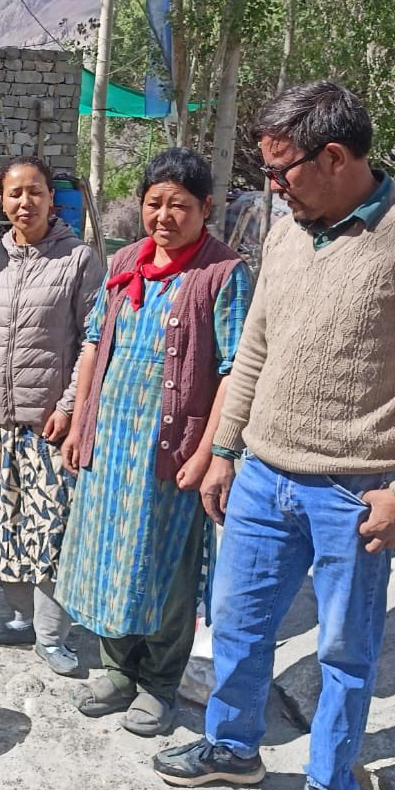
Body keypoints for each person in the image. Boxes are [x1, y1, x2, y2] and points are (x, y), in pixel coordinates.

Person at [153, 82, 395, 790]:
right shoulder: (287, 231)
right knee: (237, 623)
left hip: (351, 493)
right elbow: (256, 349)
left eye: (281, 170)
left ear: (334, 157)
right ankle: (232, 748)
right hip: (263, 476)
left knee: (343, 650)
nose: (272, 186)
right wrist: (226, 451)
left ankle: (328, 788)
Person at [58, 148, 252, 736]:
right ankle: (117, 671)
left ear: (206, 209)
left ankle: (159, 683)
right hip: (112, 441)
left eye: (179, 206)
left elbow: (236, 369)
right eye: (154, 203)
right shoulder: (125, 263)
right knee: (111, 557)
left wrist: (211, 451)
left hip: (171, 451)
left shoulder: (224, 273)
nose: (164, 217)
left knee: (164, 566)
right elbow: (95, 344)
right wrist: (77, 419)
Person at [0, 157, 104, 675]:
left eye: (34, 192)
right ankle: (19, 620)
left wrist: (67, 409)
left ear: (50, 198)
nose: (25, 203)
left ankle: (52, 635)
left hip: (45, 425)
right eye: (15, 194)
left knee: (50, 531)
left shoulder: (78, 260)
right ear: (2, 200)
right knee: (1, 525)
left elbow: (92, 343)